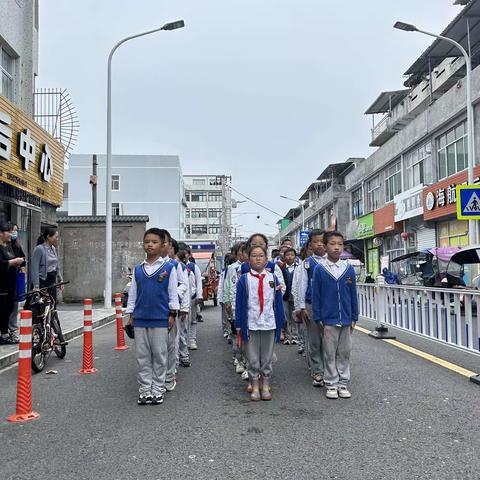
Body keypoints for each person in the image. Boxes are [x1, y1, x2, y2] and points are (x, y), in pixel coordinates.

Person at [125, 228, 179, 405]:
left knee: (160, 354)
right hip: (140, 319)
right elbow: (133, 294)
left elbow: (172, 293)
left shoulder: (169, 268)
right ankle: (145, 389)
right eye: (147, 241)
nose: (150, 244)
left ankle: (158, 388)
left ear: (163, 245)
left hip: (160, 319)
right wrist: (130, 315)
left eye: (154, 242)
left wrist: (172, 313)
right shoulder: (138, 270)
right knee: (142, 356)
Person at [312, 231, 358, 399]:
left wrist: (354, 317)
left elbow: (353, 294)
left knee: (345, 351)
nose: (337, 247)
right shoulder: (320, 269)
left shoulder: (348, 268)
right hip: (328, 319)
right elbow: (316, 295)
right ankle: (331, 382)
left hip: (346, 319)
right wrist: (318, 318)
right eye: (332, 244)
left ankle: (343, 383)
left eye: (340, 243)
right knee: (329, 352)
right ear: (325, 246)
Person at [235, 244, 284, 401]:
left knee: (267, 356)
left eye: (261, 255)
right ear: (248, 259)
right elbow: (240, 303)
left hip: (269, 323)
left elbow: (278, 303)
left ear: (266, 259)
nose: (257, 258)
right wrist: (239, 325)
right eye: (254, 255)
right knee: (253, 357)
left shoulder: (273, 278)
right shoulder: (244, 279)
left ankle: (266, 383)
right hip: (251, 323)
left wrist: (281, 323)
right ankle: (255, 384)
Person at [296, 229, 326, 388]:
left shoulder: (334, 262)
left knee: (328, 339)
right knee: (314, 339)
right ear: (310, 244)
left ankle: (330, 369)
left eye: (322, 241)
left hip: (330, 306)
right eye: (316, 242)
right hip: (312, 305)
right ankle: (317, 370)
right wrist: (302, 306)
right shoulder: (307, 263)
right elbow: (303, 285)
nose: (319, 244)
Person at [31, 227, 67, 345]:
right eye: (55, 236)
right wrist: (36, 286)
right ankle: (41, 331)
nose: (57, 239)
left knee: (53, 307)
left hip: (52, 281)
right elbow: (34, 269)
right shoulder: (39, 249)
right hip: (42, 281)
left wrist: (60, 280)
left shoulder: (53, 249)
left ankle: (56, 333)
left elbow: (56, 267)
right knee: (41, 308)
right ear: (48, 237)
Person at [166, 238, 189, 391]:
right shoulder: (146, 266)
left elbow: (184, 285)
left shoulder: (176, 265)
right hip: (154, 311)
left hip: (172, 309)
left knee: (173, 341)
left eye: (168, 245)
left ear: (173, 250)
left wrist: (183, 307)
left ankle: (171, 371)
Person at [0, 223, 24, 345]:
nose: (11, 234)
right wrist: (13, 262)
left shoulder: (8, 246)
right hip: (2, 286)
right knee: (2, 310)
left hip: (11, 285)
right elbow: (2, 264)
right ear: (1, 233)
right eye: (8, 232)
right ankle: (3, 334)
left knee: (9, 309)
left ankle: (5, 334)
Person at [7, 223, 26, 343]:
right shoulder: (4, 247)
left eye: (16, 230)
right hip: (4, 282)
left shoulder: (17, 246)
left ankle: (12, 330)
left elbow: (23, 263)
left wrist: (23, 278)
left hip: (14, 280)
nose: (14, 233)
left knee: (14, 307)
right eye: (13, 230)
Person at [280, 247, 299, 345]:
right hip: (285, 296)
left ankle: (295, 337)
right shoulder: (281, 268)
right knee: (286, 317)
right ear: (284, 256)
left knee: (295, 317)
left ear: (295, 257)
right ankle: (288, 337)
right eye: (287, 255)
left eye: (292, 255)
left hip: (295, 296)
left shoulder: (299, 267)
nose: (290, 257)